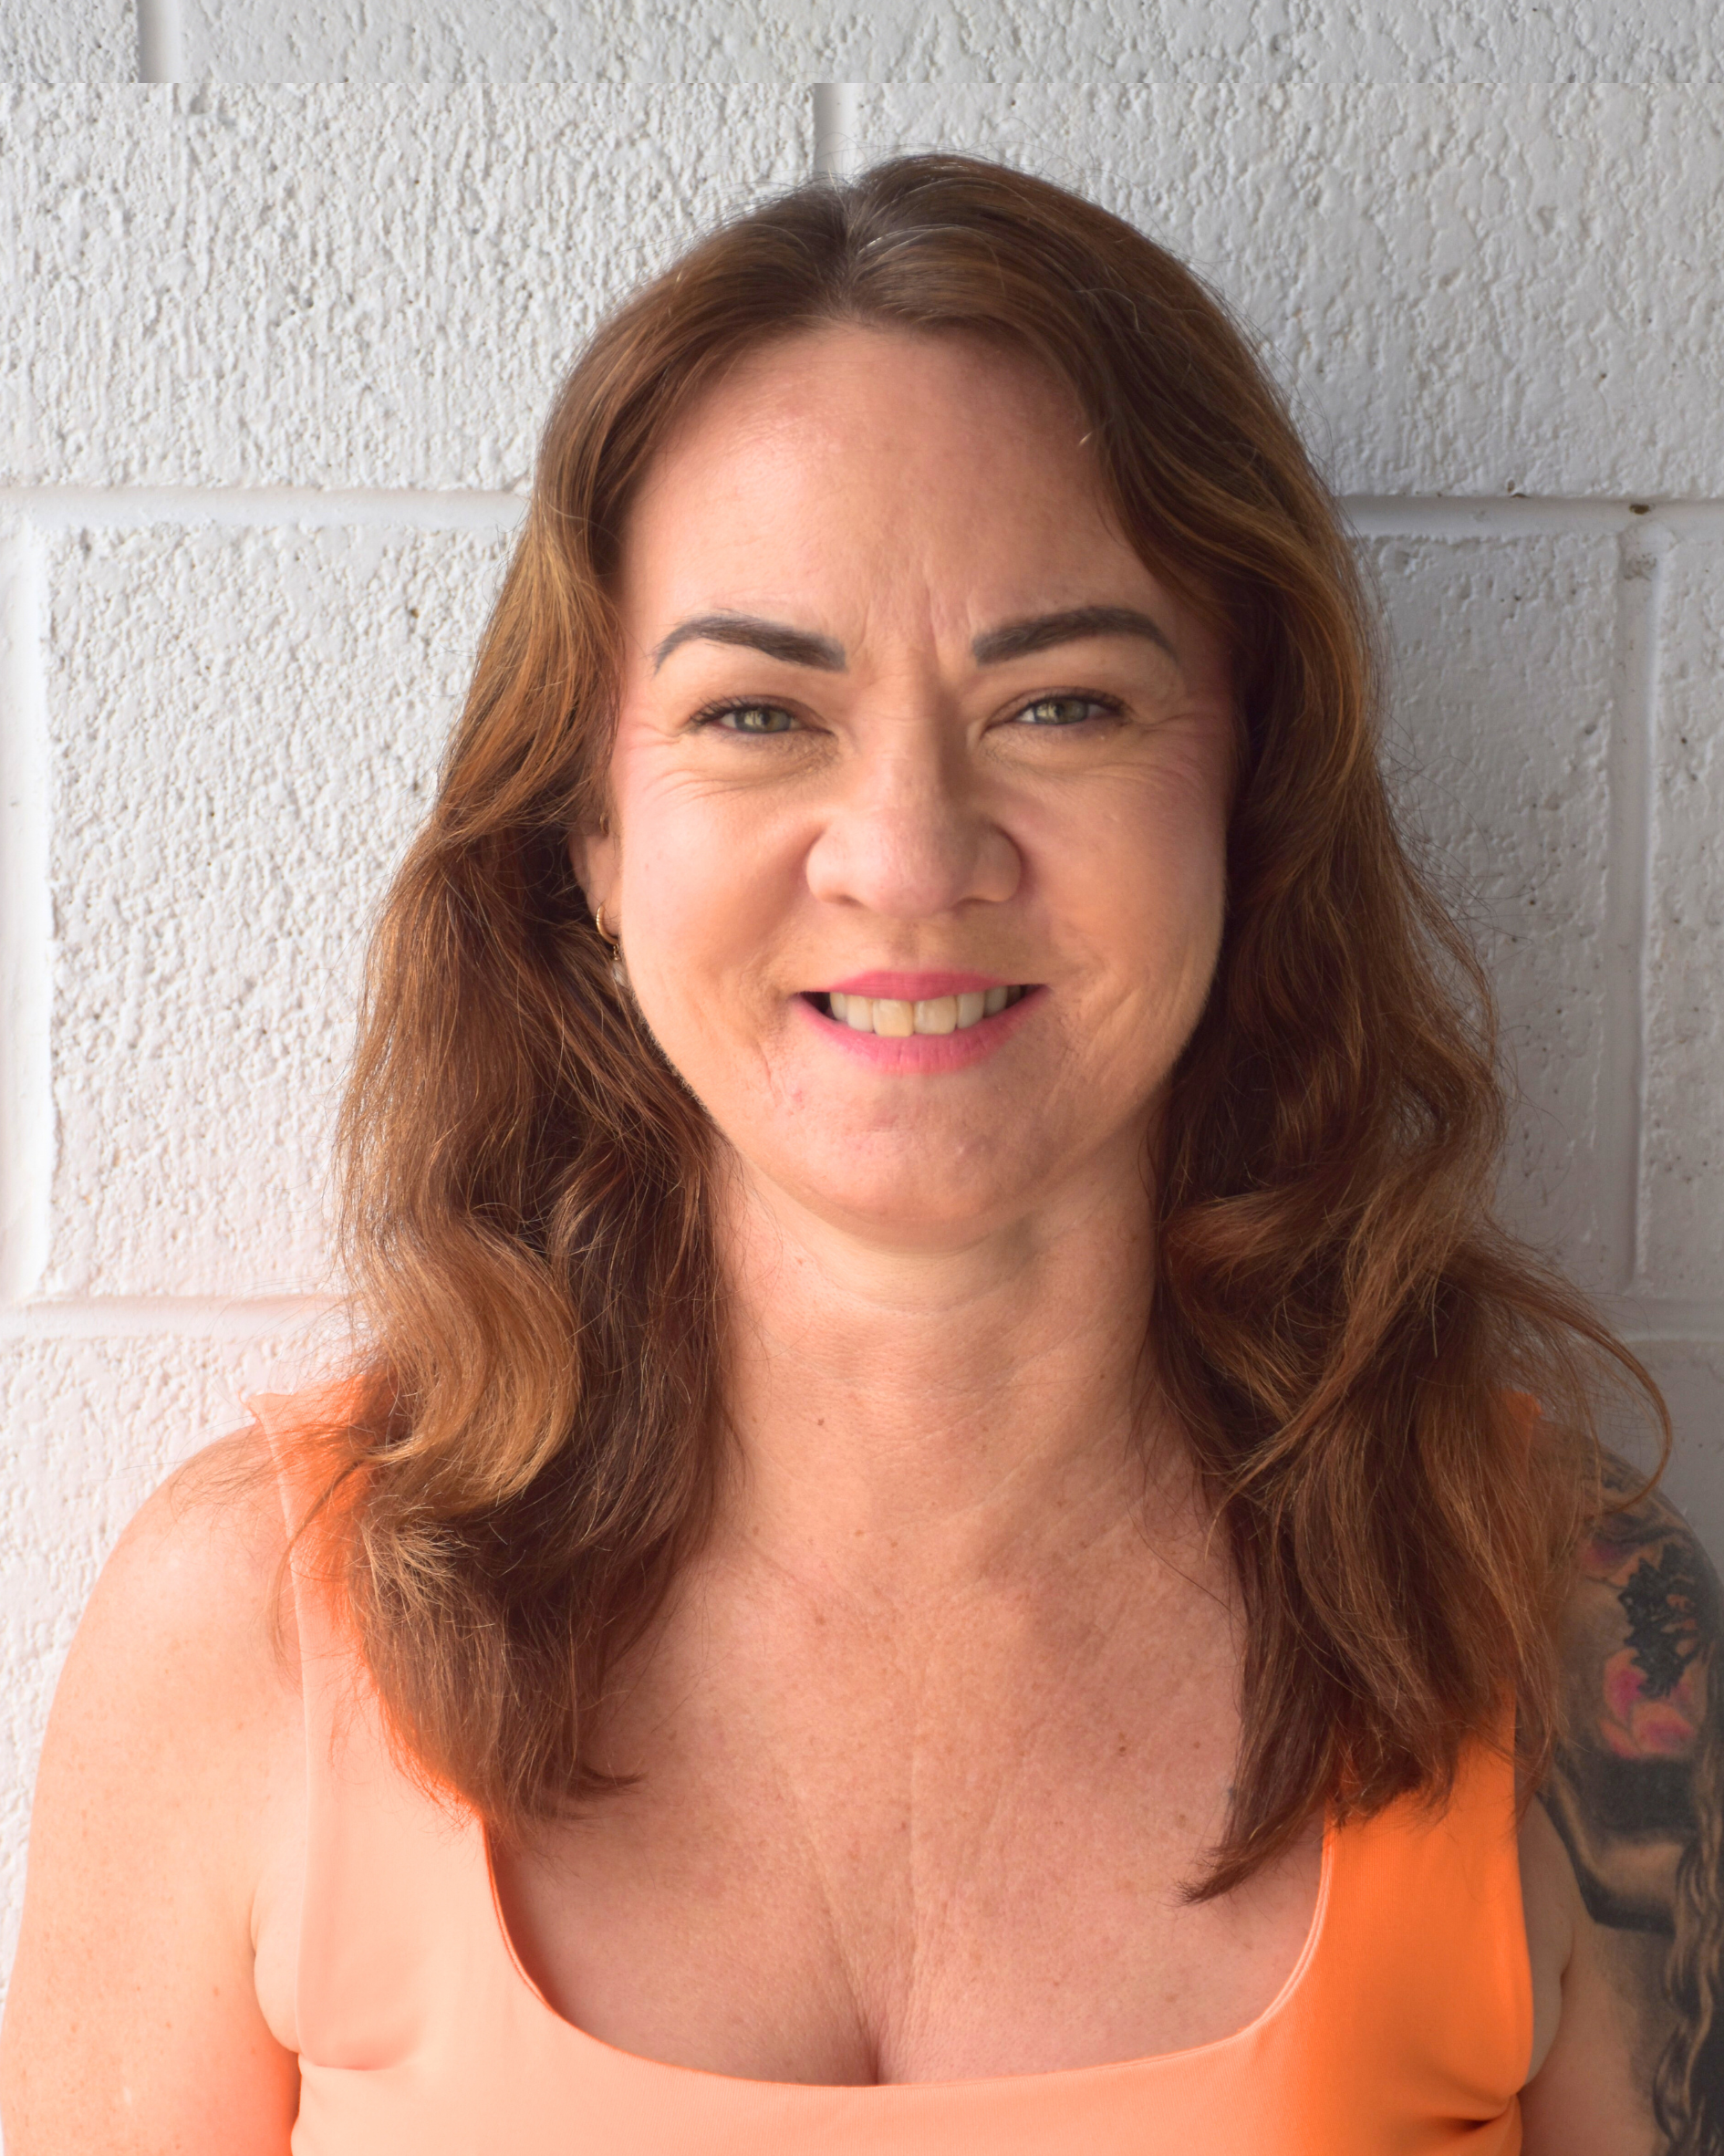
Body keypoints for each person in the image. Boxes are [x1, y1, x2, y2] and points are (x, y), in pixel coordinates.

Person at [1, 153, 1718, 2155]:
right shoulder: (257, 1629)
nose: (906, 852)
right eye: (758, 712)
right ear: (593, 841)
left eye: (1062, 700)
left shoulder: (1566, 1617)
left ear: (1247, 796)